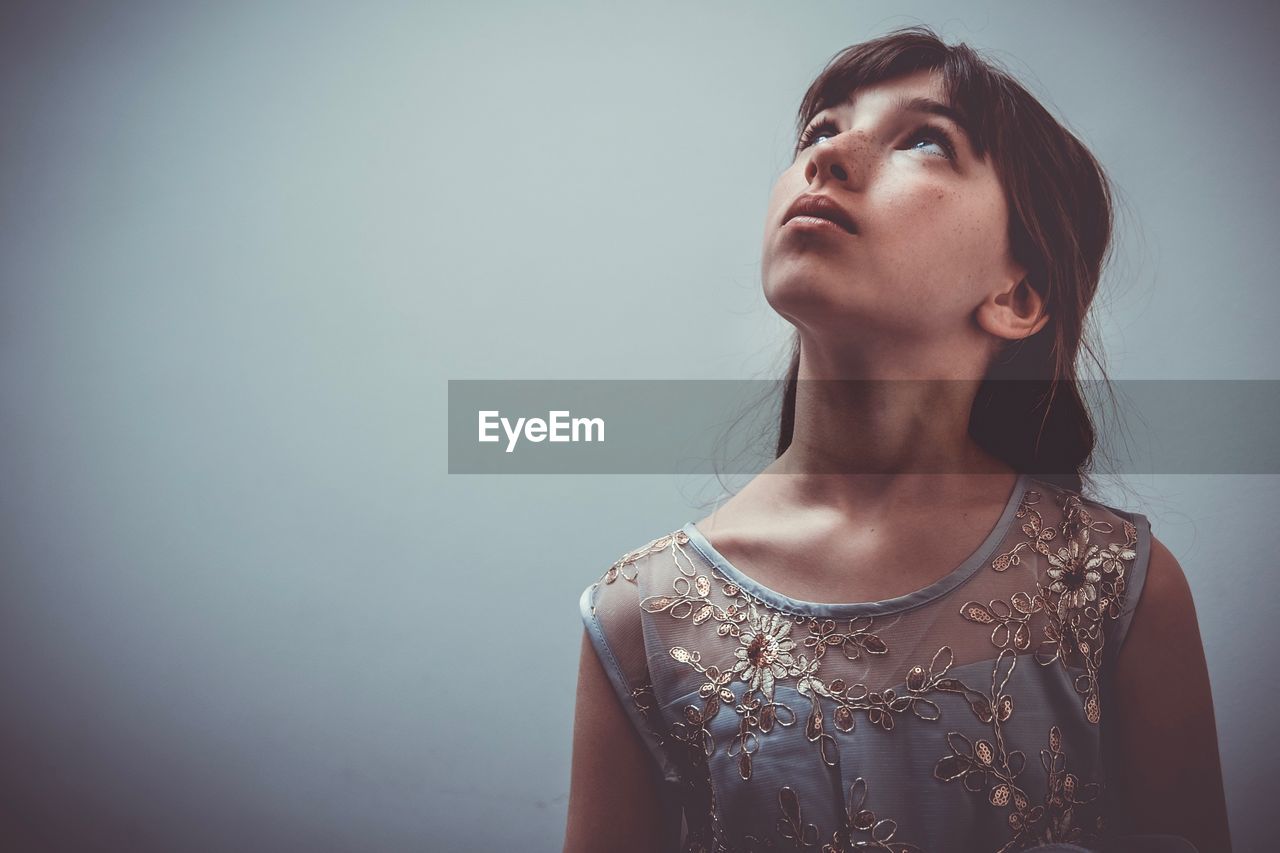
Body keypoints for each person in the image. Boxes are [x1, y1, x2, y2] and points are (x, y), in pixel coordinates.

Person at [564, 26, 1231, 853]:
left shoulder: (1112, 587)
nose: (830, 156)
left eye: (924, 139)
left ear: (1017, 296)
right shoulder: (642, 614)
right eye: (819, 131)